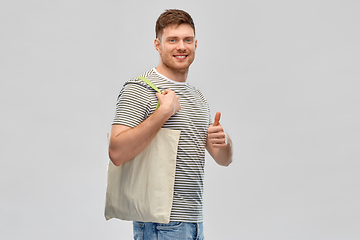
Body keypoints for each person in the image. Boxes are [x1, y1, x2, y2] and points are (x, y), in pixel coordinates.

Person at [108, 9, 233, 240]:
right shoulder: (140, 88)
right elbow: (116, 152)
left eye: (187, 40)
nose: (181, 47)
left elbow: (223, 159)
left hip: (195, 221)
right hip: (160, 224)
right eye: (172, 40)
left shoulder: (198, 98)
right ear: (158, 45)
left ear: (196, 44)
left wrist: (224, 143)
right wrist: (163, 112)